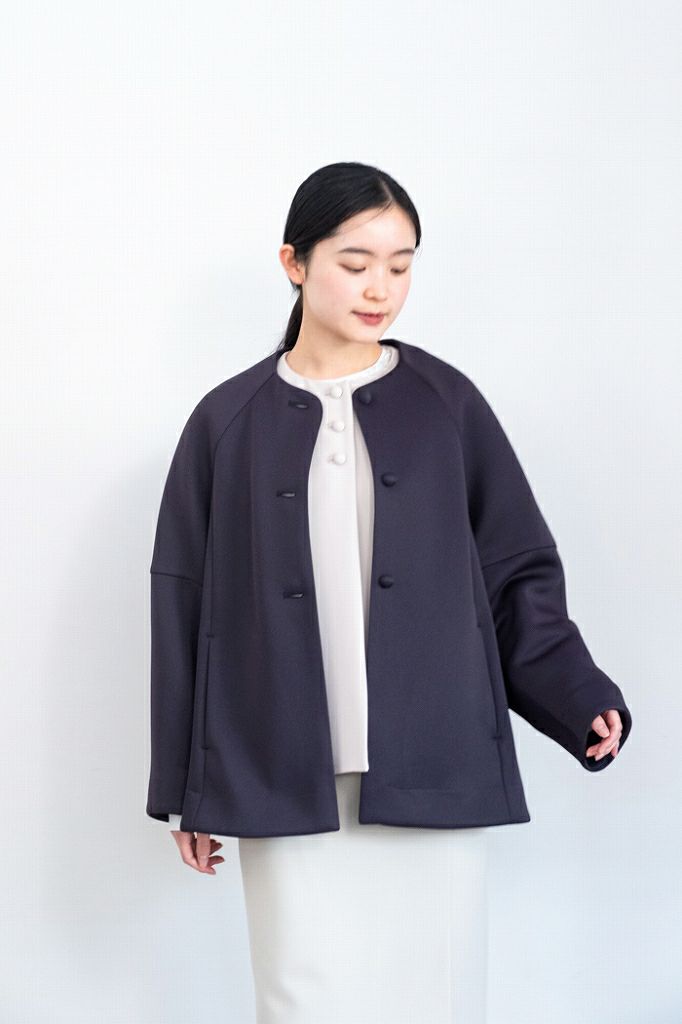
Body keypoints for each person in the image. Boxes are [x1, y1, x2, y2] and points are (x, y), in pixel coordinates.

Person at [146, 162, 632, 1023]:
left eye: (401, 266)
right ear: (294, 263)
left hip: (432, 756)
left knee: (435, 996)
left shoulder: (447, 404)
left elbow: (513, 568)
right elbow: (182, 606)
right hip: (277, 763)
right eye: (356, 262)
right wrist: (186, 784)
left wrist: (576, 693)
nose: (382, 288)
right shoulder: (226, 421)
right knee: (299, 1000)